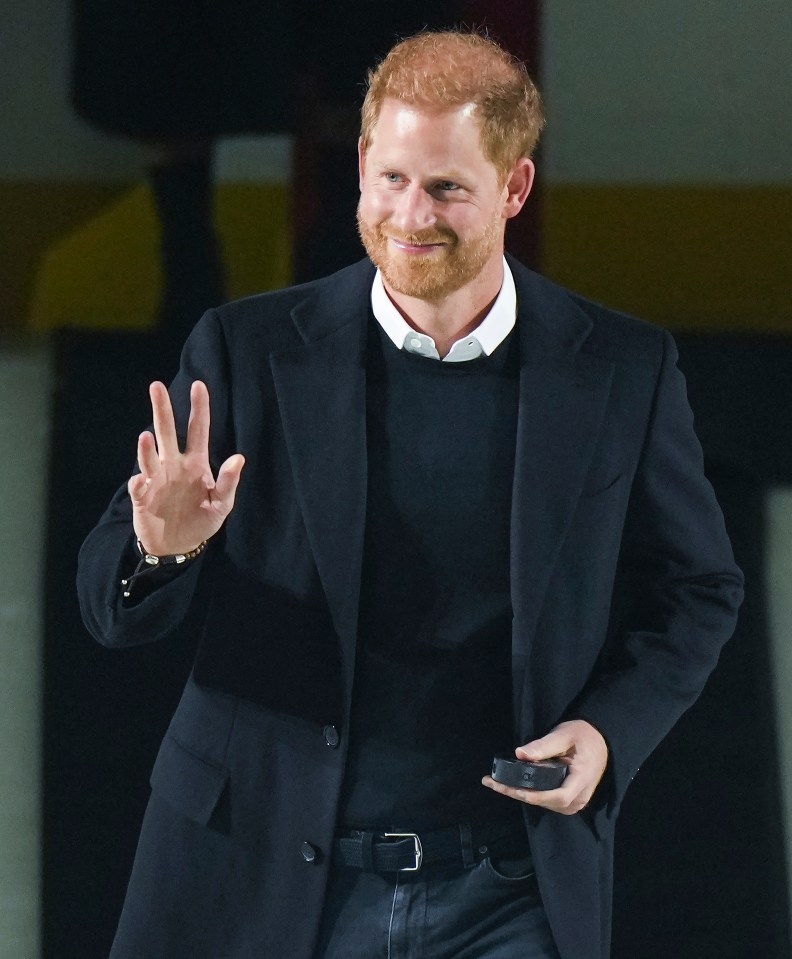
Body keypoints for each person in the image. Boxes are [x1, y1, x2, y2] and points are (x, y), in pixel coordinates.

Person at [76, 30, 744, 959]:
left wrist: (607, 733)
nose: (409, 215)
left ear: (514, 188)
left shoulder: (621, 371)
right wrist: (165, 548)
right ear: (359, 164)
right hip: (260, 873)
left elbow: (698, 588)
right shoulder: (247, 351)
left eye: (445, 187)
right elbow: (113, 612)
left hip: (508, 889)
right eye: (390, 178)